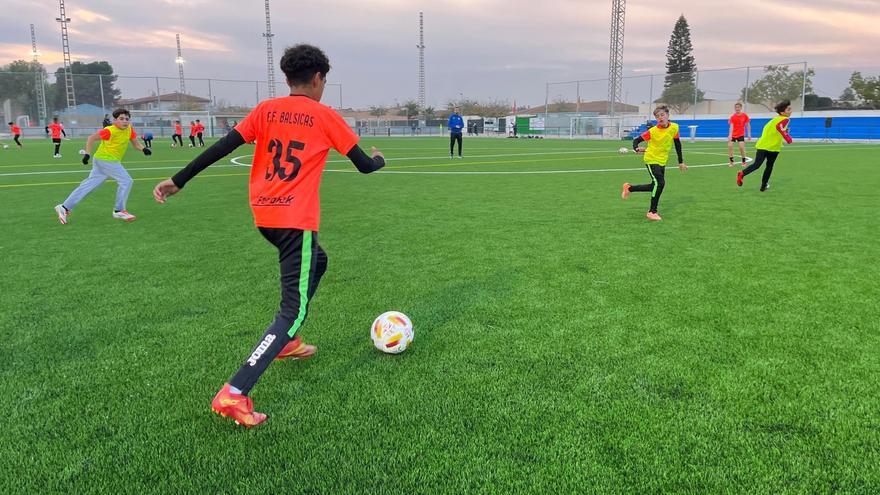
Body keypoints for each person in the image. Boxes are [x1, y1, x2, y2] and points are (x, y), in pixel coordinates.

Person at [152, 43, 386, 428]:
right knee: (292, 311)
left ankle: (287, 343)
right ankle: (235, 391)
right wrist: (379, 159)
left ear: (288, 78)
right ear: (318, 79)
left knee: (319, 261)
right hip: (296, 221)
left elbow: (221, 148)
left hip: (266, 216)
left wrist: (179, 180)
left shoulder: (265, 110)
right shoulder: (326, 116)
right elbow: (364, 166)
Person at [53, 108, 152, 225]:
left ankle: (64, 207)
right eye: (121, 119)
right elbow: (91, 138)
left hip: (103, 160)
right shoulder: (109, 131)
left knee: (89, 186)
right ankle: (119, 210)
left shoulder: (129, 129)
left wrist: (143, 149)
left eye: (127, 119)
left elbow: (136, 144)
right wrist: (87, 154)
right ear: (115, 120)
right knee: (126, 181)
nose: (125, 121)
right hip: (106, 160)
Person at [621, 105, 687, 221]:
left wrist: (680, 162)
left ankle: (629, 188)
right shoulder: (652, 131)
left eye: (662, 115)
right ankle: (652, 211)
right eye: (657, 116)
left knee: (654, 186)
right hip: (651, 158)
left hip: (662, 160)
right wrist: (636, 148)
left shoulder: (674, 127)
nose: (660, 118)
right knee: (660, 183)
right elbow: (636, 140)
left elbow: (677, 144)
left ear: (667, 115)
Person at [737, 100, 793, 192]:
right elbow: (779, 127)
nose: (791, 111)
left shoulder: (774, 120)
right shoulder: (786, 119)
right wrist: (788, 138)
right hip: (773, 147)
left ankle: (742, 173)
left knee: (756, 165)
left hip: (762, 145)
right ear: (782, 113)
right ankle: (763, 186)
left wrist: (785, 132)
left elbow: (774, 129)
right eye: (788, 109)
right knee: (769, 166)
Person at [727, 102, 751, 167]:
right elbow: (731, 126)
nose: (737, 108)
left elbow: (748, 125)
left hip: (741, 134)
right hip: (733, 134)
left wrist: (749, 134)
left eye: (738, 107)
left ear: (741, 108)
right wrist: (730, 135)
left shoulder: (744, 116)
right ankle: (731, 162)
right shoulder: (733, 117)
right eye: (736, 107)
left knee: (741, 148)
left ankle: (743, 162)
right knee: (730, 146)